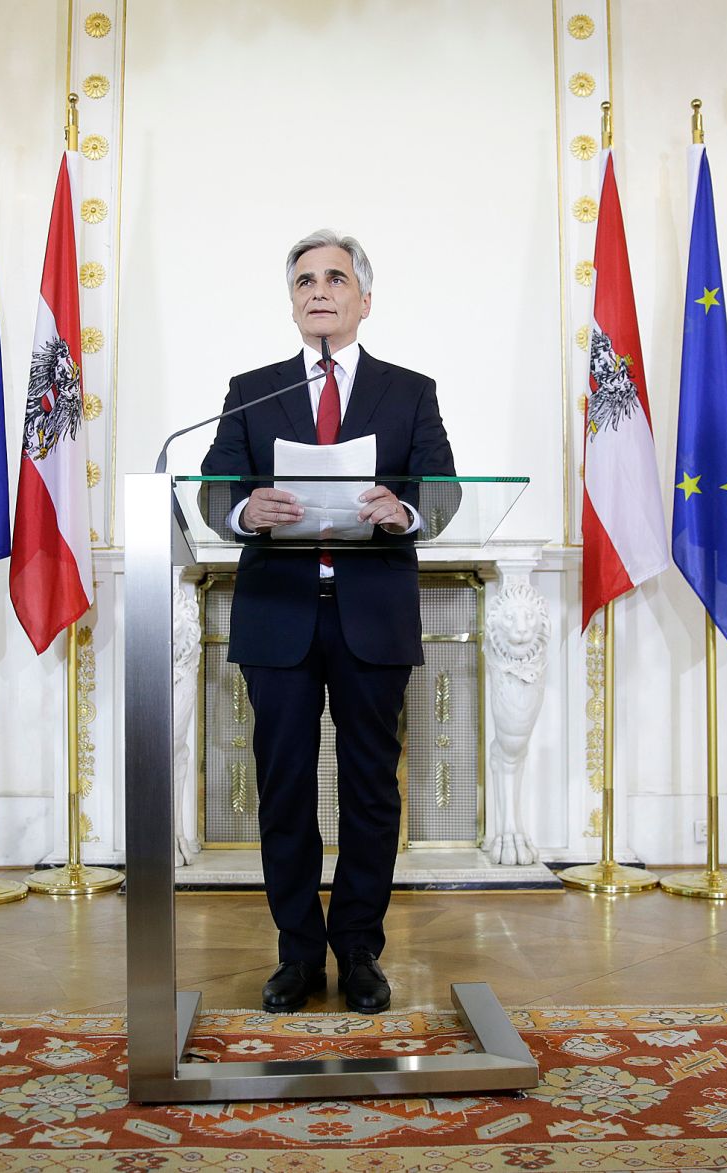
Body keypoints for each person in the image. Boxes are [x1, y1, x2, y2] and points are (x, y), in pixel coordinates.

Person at [201, 229, 456, 1013]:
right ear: (292, 300)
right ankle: (297, 953)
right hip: (279, 613)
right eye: (306, 279)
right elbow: (214, 489)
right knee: (283, 792)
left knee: (371, 792)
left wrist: (403, 507)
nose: (320, 290)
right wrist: (246, 508)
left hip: (370, 614)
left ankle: (359, 949)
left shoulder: (410, 389)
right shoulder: (252, 389)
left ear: (363, 299)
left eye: (336, 278)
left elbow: (443, 489)